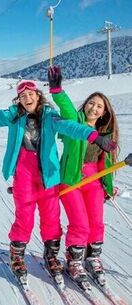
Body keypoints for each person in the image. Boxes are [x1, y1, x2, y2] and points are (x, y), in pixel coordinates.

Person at [0, 80, 117, 281]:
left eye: (31, 94)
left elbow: (71, 127)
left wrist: (93, 136)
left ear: (38, 96)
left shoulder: (50, 116)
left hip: (48, 176)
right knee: (24, 217)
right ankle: (16, 255)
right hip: (24, 174)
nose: (28, 98)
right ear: (19, 100)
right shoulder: (14, 116)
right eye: (23, 96)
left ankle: (51, 256)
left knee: (51, 217)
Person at [48, 66, 119, 286]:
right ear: (85, 104)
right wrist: (57, 90)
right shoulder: (74, 123)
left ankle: (93, 257)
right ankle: (74, 259)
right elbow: (66, 108)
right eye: (91, 103)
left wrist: (108, 186)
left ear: (104, 112)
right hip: (72, 180)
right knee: (80, 222)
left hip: (94, 181)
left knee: (96, 222)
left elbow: (105, 164)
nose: (94, 108)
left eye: (99, 106)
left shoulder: (106, 134)